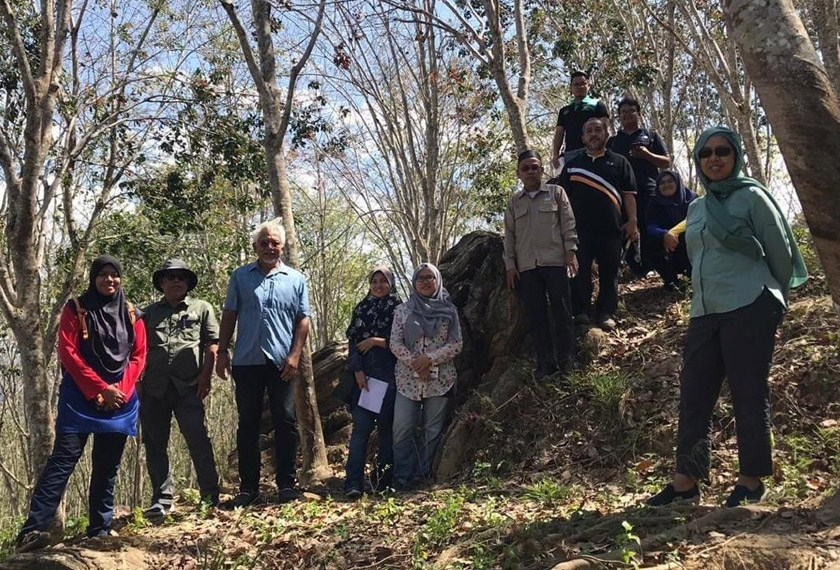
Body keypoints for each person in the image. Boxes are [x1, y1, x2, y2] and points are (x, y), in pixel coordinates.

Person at [647, 126, 808, 508]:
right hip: (705, 310)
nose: (714, 158)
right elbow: (696, 259)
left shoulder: (753, 197)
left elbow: (780, 252)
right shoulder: (696, 208)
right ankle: (686, 482)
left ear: (735, 155)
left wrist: (775, 301)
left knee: (747, 391)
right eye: (706, 153)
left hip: (750, 303)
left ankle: (750, 480)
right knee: (694, 393)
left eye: (722, 151)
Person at [15, 256, 147, 553]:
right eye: (102, 274)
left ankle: (100, 528)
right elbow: (68, 353)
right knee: (62, 462)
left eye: (114, 274)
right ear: (93, 277)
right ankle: (32, 530)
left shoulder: (132, 313)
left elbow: (139, 355)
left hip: (121, 399)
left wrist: (118, 391)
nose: (109, 280)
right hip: (79, 397)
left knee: (107, 466)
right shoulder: (76, 309)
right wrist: (99, 389)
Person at [216, 219, 311, 507]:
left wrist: (295, 355)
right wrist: (222, 351)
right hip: (247, 361)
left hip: (282, 362)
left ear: (282, 246)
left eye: (275, 243)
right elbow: (230, 314)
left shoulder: (296, 279)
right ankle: (248, 488)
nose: (269, 247)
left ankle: (287, 485)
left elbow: (303, 320)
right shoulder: (240, 277)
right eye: (264, 243)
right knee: (248, 424)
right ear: (255, 247)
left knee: (286, 421)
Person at [140, 259, 220, 518]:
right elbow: (137, 350)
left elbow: (212, 344)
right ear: (161, 282)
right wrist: (138, 384)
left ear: (187, 283)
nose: (176, 281)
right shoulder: (147, 314)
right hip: (154, 388)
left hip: (189, 388)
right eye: (170, 277)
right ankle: (162, 500)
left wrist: (206, 377)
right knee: (154, 444)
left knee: (198, 439)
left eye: (181, 277)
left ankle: (210, 496)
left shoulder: (202, 308)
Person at [553, 116, 638, 331]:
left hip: (611, 228)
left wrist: (632, 221)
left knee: (610, 272)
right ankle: (581, 313)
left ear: (606, 135)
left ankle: (606, 312)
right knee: (579, 272)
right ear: (583, 137)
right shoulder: (572, 166)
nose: (593, 134)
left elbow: (628, 194)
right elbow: (562, 200)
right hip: (579, 230)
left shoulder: (620, 162)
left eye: (598, 130)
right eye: (589, 131)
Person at [503, 149, 579, 380]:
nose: (530, 172)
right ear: (518, 173)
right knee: (537, 317)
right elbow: (509, 236)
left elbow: (568, 223)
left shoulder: (556, 193)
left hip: (555, 261)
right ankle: (546, 364)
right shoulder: (514, 203)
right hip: (527, 267)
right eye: (525, 168)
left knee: (562, 312)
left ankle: (567, 361)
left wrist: (571, 252)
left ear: (542, 170)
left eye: (534, 167)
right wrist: (510, 265)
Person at [389, 263, 463, 490]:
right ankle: (402, 477)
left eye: (430, 277)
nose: (425, 282)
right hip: (407, 379)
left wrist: (429, 359)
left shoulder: (449, 310)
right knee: (402, 427)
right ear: (414, 282)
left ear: (437, 280)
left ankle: (421, 476)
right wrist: (416, 361)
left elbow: (456, 344)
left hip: (440, 379)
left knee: (432, 429)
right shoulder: (403, 310)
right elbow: (395, 342)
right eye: (420, 278)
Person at [343, 267, 403, 498]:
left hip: (392, 379)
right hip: (366, 381)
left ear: (391, 283)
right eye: (374, 281)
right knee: (361, 431)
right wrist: (357, 371)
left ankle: (383, 482)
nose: (378, 285)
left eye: (383, 281)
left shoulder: (400, 308)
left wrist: (376, 341)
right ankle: (353, 483)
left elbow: (405, 342)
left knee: (387, 432)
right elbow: (353, 343)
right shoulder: (362, 308)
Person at [607, 97, 671, 276]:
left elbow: (666, 162)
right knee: (626, 229)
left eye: (631, 111)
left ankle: (655, 267)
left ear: (639, 114)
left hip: (648, 188)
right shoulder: (613, 142)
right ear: (619, 116)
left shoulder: (651, 135)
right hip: (621, 193)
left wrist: (647, 154)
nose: (627, 115)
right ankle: (637, 269)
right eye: (623, 112)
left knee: (649, 227)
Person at [646, 170, 697, 290]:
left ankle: (693, 276)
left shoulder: (692, 199)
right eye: (662, 183)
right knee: (651, 242)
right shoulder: (654, 203)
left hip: (689, 241)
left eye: (670, 181)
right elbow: (651, 226)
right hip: (668, 244)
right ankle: (670, 280)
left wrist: (675, 232)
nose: (666, 185)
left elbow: (696, 219)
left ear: (678, 182)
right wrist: (665, 234)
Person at [551, 71, 610, 172]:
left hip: (591, 151)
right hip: (570, 153)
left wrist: (602, 150)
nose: (580, 87)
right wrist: (555, 154)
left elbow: (604, 129)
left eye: (583, 83)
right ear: (571, 88)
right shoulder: (565, 110)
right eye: (576, 84)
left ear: (588, 86)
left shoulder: (597, 105)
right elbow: (559, 133)